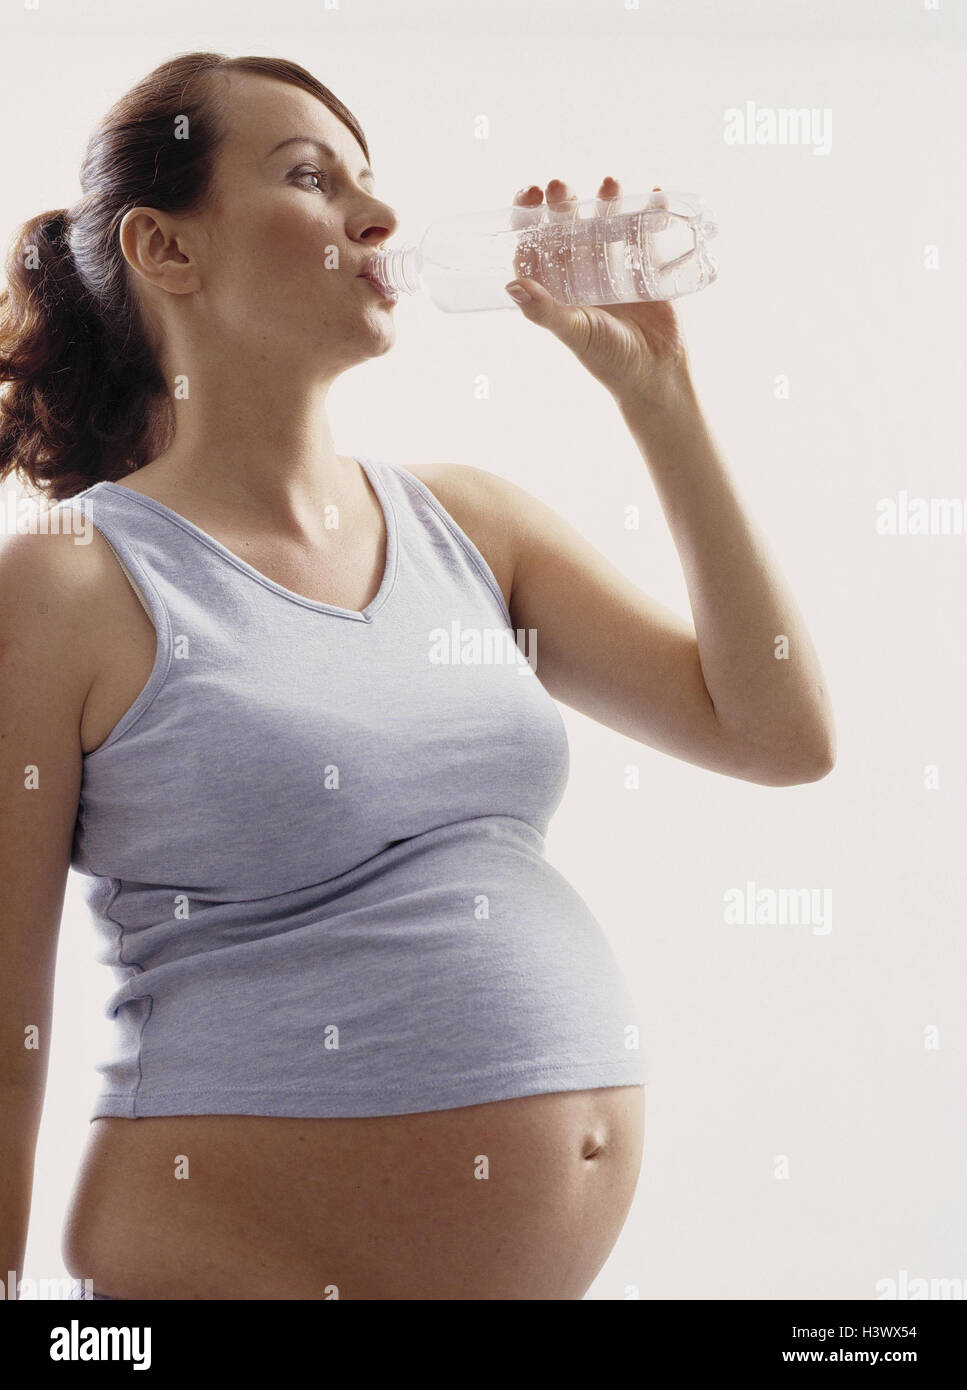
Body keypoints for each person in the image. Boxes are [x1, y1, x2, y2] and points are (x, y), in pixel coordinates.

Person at [0, 51, 835, 1301]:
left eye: (371, 180)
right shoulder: (71, 581)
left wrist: (660, 399)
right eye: (309, 176)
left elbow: (778, 733)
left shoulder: (472, 525)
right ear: (165, 251)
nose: (377, 215)